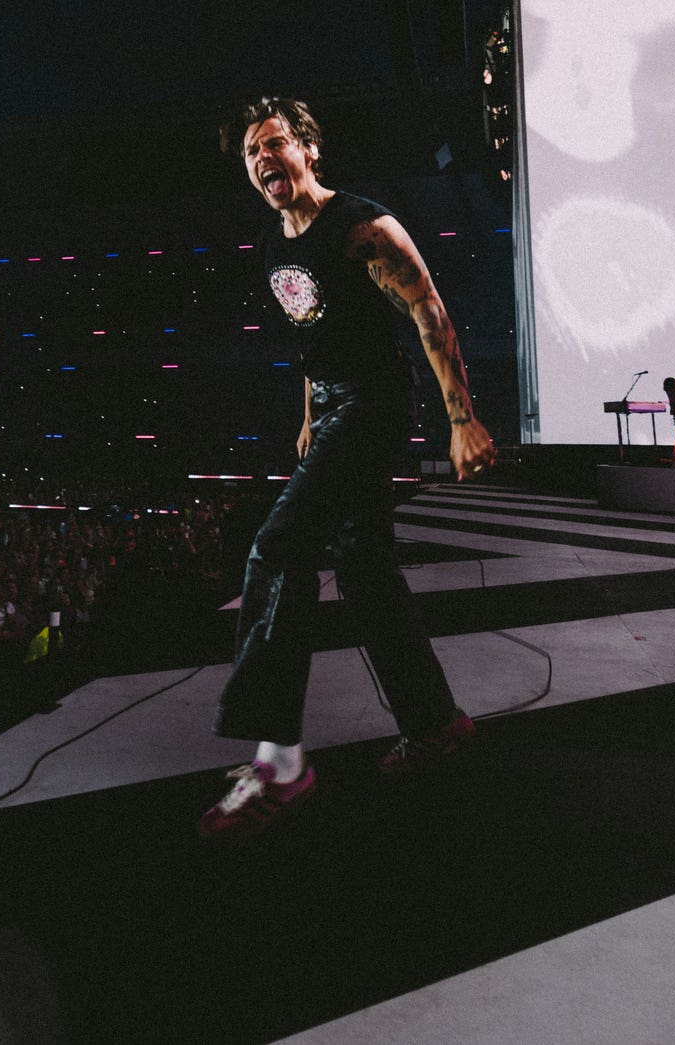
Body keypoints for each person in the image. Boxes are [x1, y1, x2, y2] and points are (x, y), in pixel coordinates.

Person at [200, 98, 495, 838]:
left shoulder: (361, 224)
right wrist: (307, 413)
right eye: (250, 154)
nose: (263, 159)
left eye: (273, 144)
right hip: (330, 404)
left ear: (307, 149)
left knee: (276, 545)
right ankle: (434, 722)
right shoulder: (274, 244)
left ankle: (279, 762)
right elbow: (313, 337)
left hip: (373, 403)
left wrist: (462, 419)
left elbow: (428, 314)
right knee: (362, 566)